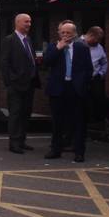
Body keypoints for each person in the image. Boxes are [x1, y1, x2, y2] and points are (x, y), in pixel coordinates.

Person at [43, 21, 93, 162]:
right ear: (59, 34)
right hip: (58, 88)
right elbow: (46, 62)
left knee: (78, 122)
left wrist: (83, 84)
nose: (65, 35)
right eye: (63, 33)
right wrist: (58, 49)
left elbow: (88, 69)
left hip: (75, 88)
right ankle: (56, 149)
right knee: (57, 121)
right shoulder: (54, 46)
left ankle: (79, 151)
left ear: (74, 34)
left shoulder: (82, 47)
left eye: (68, 33)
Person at [0, 13, 40, 154]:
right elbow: (4, 63)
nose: (29, 24)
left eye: (30, 21)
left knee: (25, 113)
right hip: (16, 85)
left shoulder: (28, 39)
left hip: (29, 84)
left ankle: (22, 140)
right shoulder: (9, 40)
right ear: (17, 23)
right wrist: (9, 82)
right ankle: (14, 143)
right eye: (26, 22)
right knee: (15, 114)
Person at [82, 26, 109, 140]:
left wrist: (101, 74)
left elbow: (104, 62)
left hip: (94, 79)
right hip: (81, 79)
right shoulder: (77, 44)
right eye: (97, 39)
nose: (98, 42)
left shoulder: (99, 47)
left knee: (104, 101)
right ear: (90, 35)